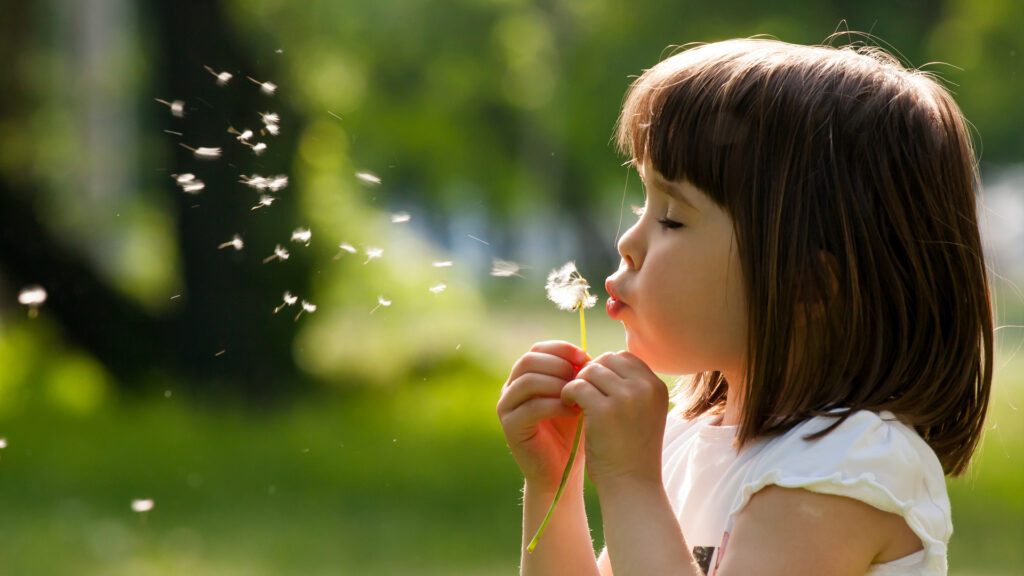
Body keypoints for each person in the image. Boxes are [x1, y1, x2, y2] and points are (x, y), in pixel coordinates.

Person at [497, 37, 992, 576]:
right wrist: (555, 484)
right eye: (644, 203)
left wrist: (631, 484)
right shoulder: (690, 438)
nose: (627, 243)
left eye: (672, 219)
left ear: (806, 285)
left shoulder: (843, 468)